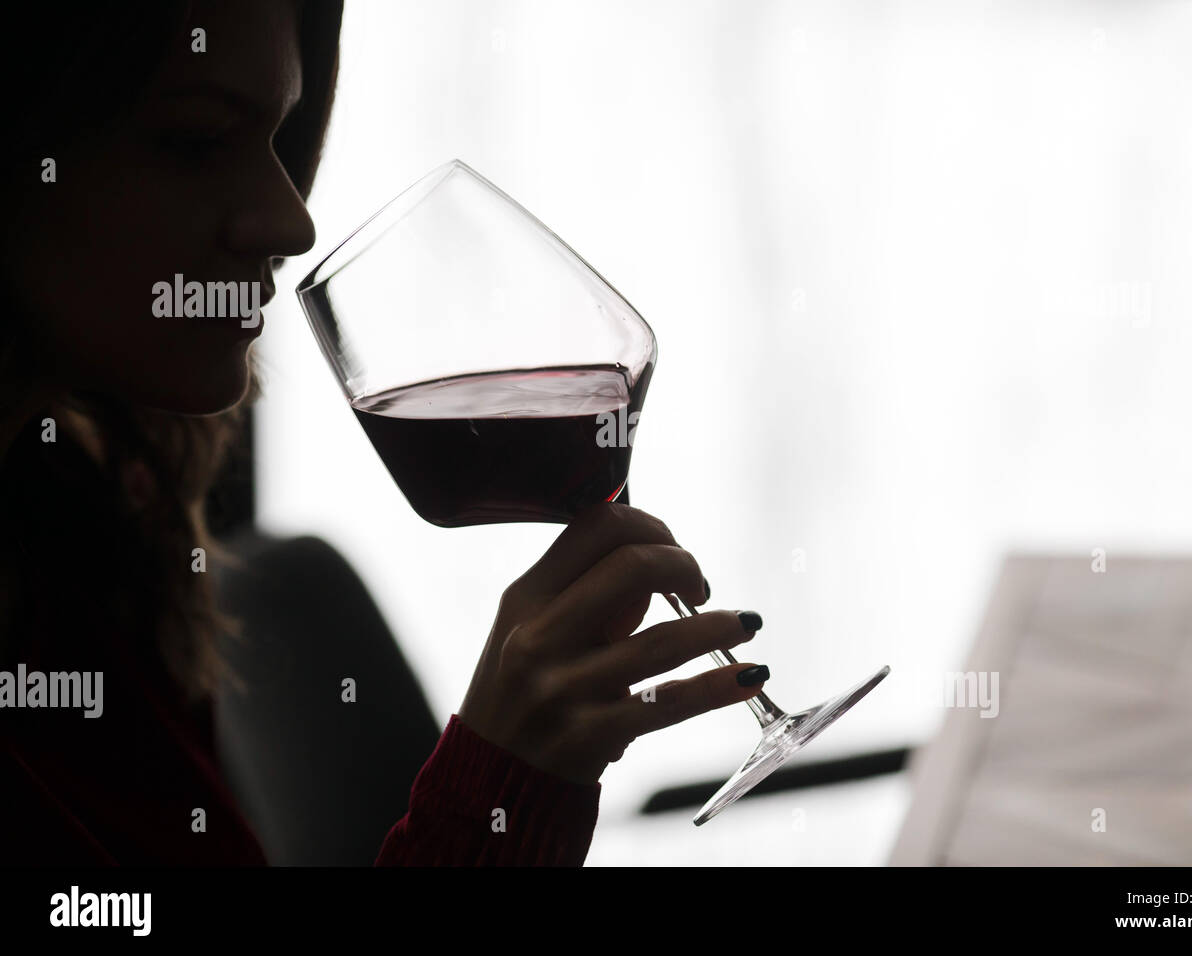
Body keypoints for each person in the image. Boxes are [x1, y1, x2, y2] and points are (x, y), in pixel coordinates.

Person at [0, 0, 768, 866]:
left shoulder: (81, 532)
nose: (294, 224)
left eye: (282, 137)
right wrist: (502, 782)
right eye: (195, 140)